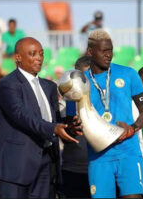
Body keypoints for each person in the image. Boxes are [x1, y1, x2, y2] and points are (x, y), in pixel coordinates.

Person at [0, 37, 82, 198]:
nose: (39, 58)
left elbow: (53, 120)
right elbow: (21, 115)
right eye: (33, 54)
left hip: (46, 163)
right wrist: (53, 128)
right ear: (18, 57)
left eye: (41, 54)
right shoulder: (8, 84)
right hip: (16, 166)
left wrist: (68, 125)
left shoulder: (49, 86)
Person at [66, 29, 143, 198]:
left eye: (110, 50)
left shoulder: (128, 74)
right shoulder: (78, 82)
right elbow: (70, 122)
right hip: (99, 157)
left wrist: (133, 128)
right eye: (104, 51)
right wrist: (73, 127)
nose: (109, 55)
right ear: (90, 52)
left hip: (129, 152)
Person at [60, 55, 92, 198]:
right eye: (85, 77)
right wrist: (71, 127)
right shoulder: (69, 103)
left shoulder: (108, 102)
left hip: (102, 170)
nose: (89, 81)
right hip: (74, 171)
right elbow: (67, 137)